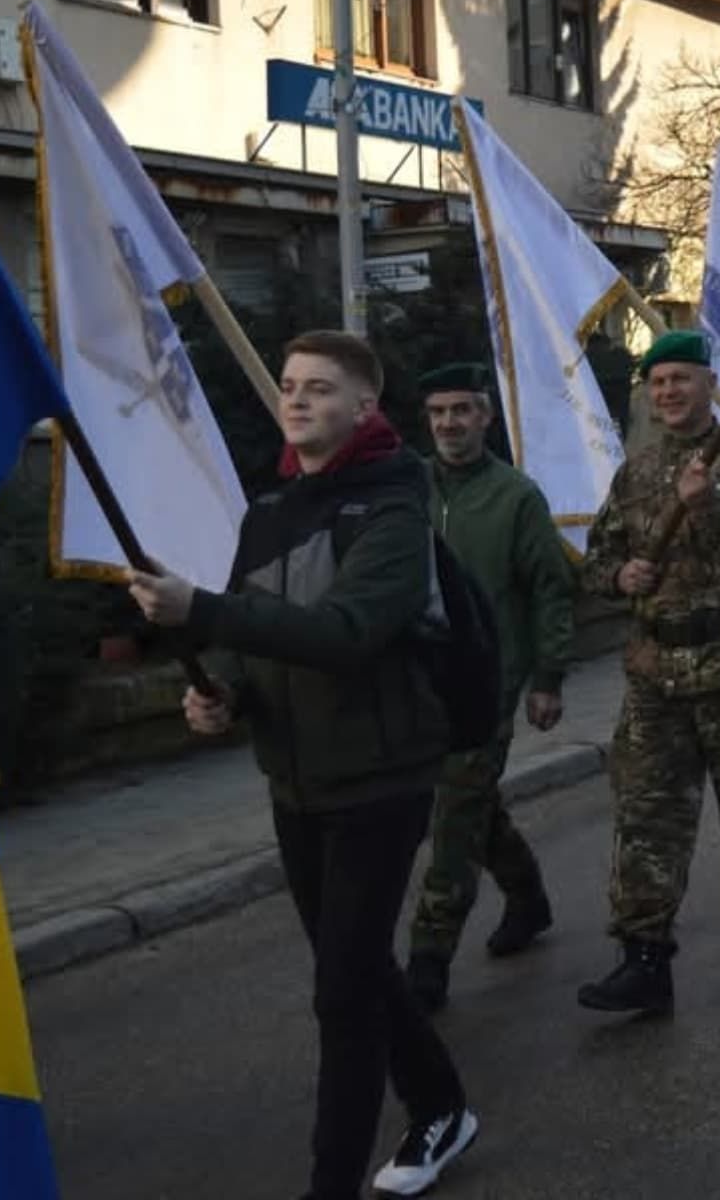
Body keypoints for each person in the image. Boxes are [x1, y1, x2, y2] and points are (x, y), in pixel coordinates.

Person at [128, 331, 477, 1200]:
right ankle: (443, 1104)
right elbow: (253, 636)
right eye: (289, 385)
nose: (296, 399)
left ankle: (331, 1185)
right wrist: (225, 695)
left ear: (364, 407)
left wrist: (202, 608)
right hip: (296, 780)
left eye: (319, 388)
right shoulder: (271, 511)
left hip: (381, 778)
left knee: (342, 995)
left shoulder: (395, 507)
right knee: (352, 965)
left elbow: (351, 632)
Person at [576, 330, 720, 1015]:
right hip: (655, 673)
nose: (669, 391)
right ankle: (645, 957)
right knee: (646, 816)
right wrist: (621, 574)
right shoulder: (638, 470)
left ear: (710, 385)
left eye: (682, 378)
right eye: (659, 381)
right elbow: (594, 563)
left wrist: (711, 507)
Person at [405, 362, 574, 1013]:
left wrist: (548, 677)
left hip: (488, 685)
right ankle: (527, 896)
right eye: (439, 412)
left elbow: (550, 590)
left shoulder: (515, 496)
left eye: (463, 410)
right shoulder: (407, 487)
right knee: (468, 802)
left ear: (486, 416)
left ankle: (429, 956)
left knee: (453, 814)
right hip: (418, 685)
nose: (449, 423)